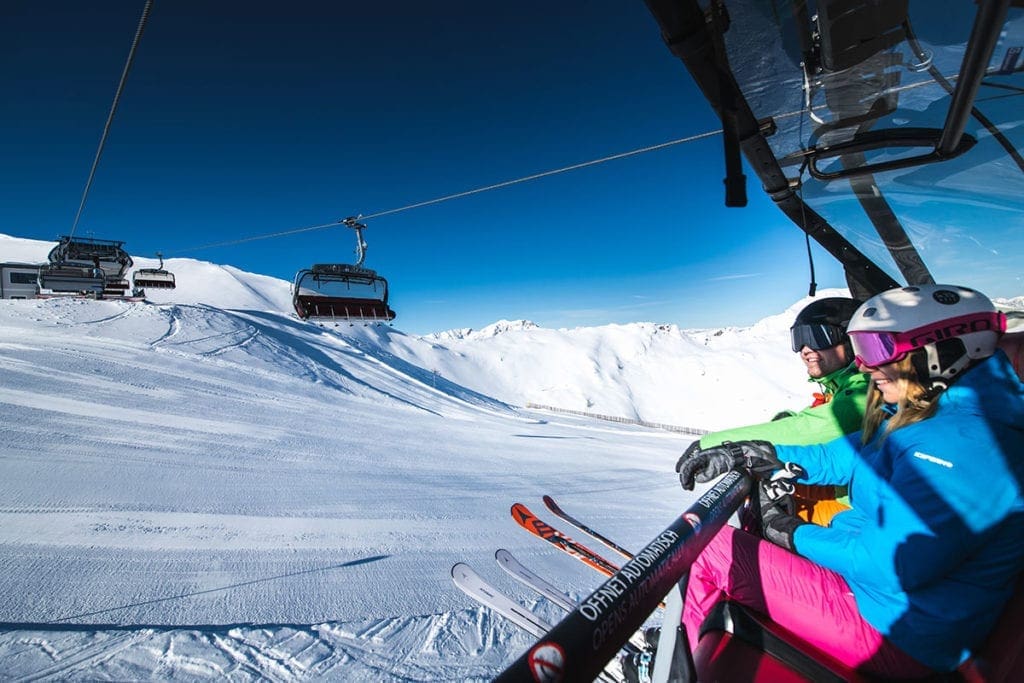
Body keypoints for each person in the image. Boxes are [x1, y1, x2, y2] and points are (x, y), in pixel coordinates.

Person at [675, 284, 1024, 677]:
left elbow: (889, 565)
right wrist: (758, 455)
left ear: (941, 350)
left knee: (710, 548)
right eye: (859, 350)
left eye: (875, 349)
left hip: (900, 635)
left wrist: (791, 534)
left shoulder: (962, 445)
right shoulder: (927, 414)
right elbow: (836, 456)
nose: (862, 365)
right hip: (889, 605)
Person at [693, 296, 868, 526]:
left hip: (859, 512)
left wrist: (712, 444)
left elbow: (813, 429)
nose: (805, 350)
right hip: (849, 496)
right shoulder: (842, 387)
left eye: (817, 337)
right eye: (799, 340)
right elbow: (810, 421)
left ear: (851, 340)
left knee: (728, 532)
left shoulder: (867, 388)